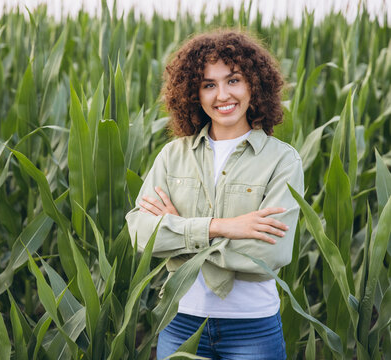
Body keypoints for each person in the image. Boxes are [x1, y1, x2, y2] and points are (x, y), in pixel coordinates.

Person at [125, 30, 304, 359]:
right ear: (194, 93)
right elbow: (139, 233)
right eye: (209, 84)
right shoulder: (172, 156)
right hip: (179, 321)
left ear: (254, 84)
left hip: (252, 326)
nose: (222, 95)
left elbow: (268, 256)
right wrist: (221, 227)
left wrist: (178, 232)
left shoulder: (282, 160)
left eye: (233, 80)